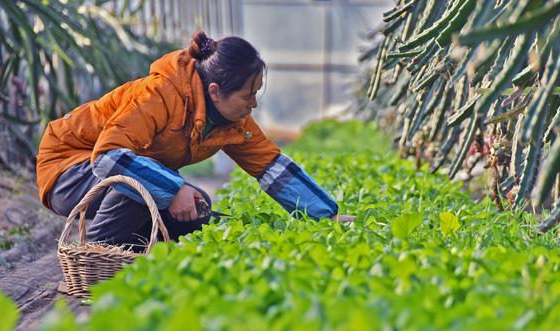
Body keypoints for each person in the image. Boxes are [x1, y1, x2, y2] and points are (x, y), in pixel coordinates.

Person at [36, 32, 353, 248]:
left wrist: (328, 215)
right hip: (69, 165)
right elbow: (108, 158)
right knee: (149, 186)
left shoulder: (231, 119)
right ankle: (99, 259)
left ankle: (140, 256)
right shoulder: (159, 93)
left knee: (197, 204)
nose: (253, 104)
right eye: (248, 94)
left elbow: (272, 166)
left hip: (110, 164)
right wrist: (174, 190)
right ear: (215, 91)